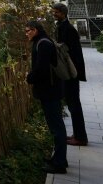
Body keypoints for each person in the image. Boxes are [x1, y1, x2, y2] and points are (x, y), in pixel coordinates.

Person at [25, 20, 68, 174]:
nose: (26, 33)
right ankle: (59, 158)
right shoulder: (43, 41)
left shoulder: (43, 44)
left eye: (28, 30)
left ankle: (59, 164)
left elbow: (41, 69)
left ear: (35, 30)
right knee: (55, 125)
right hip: (50, 90)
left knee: (56, 127)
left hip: (50, 91)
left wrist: (29, 77)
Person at [52, 2, 88, 146]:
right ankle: (78, 134)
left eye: (56, 12)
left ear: (63, 13)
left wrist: (73, 72)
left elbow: (70, 52)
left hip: (71, 72)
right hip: (70, 71)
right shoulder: (63, 27)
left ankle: (80, 137)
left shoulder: (68, 29)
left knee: (74, 104)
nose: (54, 14)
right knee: (72, 103)